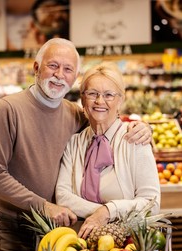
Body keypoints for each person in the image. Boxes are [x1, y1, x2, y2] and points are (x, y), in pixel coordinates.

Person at [0, 38, 152, 251]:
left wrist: (143, 129)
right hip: (16, 222)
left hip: (60, 224)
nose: (60, 75)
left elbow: (107, 118)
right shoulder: (8, 109)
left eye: (68, 69)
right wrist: (44, 206)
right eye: (53, 65)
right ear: (36, 68)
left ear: (74, 78)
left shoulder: (75, 114)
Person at [55, 61, 161, 239]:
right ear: (82, 99)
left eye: (109, 95)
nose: (99, 101)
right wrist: (102, 213)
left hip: (128, 243)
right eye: (92, 93)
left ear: (121, 100)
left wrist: (108, 212)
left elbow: (151, 203)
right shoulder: (74, 143)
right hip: (80, 239)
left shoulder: (135, 140)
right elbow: (63, 197)